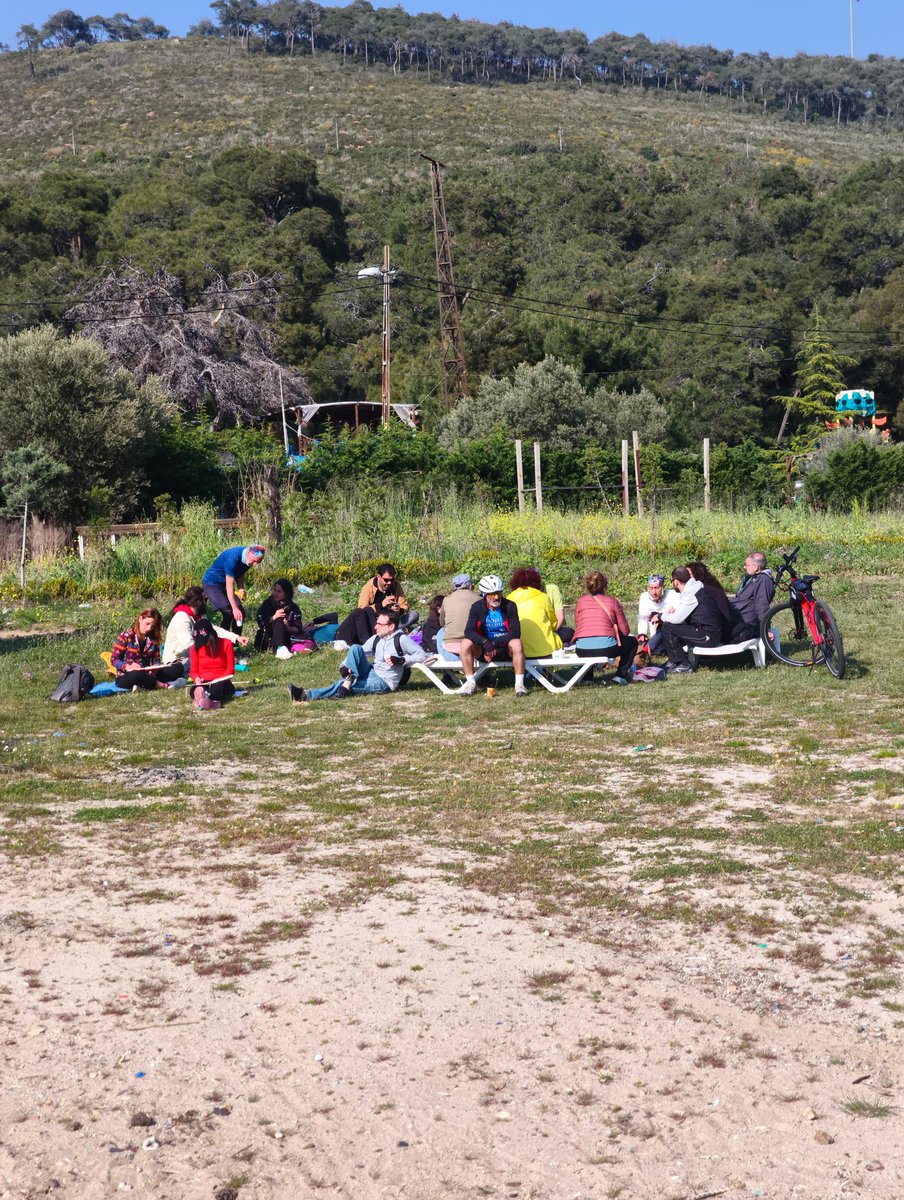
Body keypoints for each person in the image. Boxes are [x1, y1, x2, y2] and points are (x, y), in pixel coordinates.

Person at [288, 609, 431, 702]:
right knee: (356, 647)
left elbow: (422, 655)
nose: (375, 627)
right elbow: (357, 652)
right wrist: (344, 666)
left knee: (346, 685)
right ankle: (347, 679)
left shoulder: (401, 639)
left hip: (385, 681)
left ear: (391, 627)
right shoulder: (377, 638)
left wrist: (402, 660)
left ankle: (306, 695)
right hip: (372, 671)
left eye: (380, 625)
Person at [459, 574, 527, 696]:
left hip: (505, 648)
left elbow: (516, 632)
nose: (496, 597)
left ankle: (519, 685)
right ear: (484, 594)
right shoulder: (477, 607)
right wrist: (485, 643)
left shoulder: (510, 606)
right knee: (465, 643)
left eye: (499, 593)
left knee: (517, 643)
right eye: (492, 594)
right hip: (483, 649)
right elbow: (468, 631)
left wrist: (494, 644)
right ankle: (470, 683)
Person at [162, 586, 248, 678]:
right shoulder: (181, 618)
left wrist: (236, 637)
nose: (207, 603)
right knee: (215, 662)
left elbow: (214, 629)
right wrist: (214, 654)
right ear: (198, 602)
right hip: (177, 660)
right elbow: (189, 645)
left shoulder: (199, 616)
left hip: (191, 656)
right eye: (205, 599)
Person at [572, 571, 637, 684]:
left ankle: (588, 678)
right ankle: (620, 675)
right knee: (632, 642)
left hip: (582, 649)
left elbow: (579, 624)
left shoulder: (580, 601)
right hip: (607, 648)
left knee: (589, 642)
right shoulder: (612, 601)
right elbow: (625, 631)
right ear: (605, 586)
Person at [334, 562, 419, 647]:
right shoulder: (369, 587)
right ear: (379, 577)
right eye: (386, 580)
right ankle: (385, 634)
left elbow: (404, 605)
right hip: (375, 622)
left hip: (392, 619)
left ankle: (391, 631)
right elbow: (362, 609)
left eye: (391, 580)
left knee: (414, 615)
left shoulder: (396, 585)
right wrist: (382, 604)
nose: (389, 583)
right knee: (367, 611)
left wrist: (399, 610)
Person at [660, 566, 724, 674]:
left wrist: (660, 616)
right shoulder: (693, 589)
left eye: (671, 581)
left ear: (676, 581)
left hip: (708, 637)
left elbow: (676, 620)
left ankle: (683, 664)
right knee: (669, 626)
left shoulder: (691, 593)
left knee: (668, 627)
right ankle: (674, 661)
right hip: (708, 632)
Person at [111, 608, 184, 691]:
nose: (149, 628)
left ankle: (144, 685)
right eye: (147, 624)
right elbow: (114, 659)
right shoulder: (125, 636)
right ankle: (163, 685)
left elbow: (156, 661)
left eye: (152, 626)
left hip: (147, 673)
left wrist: (154, 669)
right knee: (136, 675)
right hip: (127, 675)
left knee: (178, 667)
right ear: (140, 619)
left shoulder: (153, 640)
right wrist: (127, 666)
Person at [202, 544, 265, 632]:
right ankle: (223, 642)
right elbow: (229, 585)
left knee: (240, 613)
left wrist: (241, 588)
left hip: (225, 584)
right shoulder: (232, 558)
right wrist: (234, 608)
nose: (255, 565)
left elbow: (240, 572)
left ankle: (236, 643)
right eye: (254, 561)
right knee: (229, 612)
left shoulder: (248, 559)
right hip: (212, 584)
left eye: (258, 562)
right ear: (248, 553)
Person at [507, 567, 562, 658]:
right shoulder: (543, 597)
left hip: (518, 651)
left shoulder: (509, 598)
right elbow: (554, 624)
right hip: (546, 650)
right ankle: (546, 671)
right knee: (567, 633)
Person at [189, 618, 236, 710]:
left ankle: (203, 699)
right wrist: (197, 679)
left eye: (206, 640)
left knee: (220, 687)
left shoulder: (226, 643)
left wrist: (219, 679)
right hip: (204, 682)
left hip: (221, 681)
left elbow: (230, 669)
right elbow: (193, 671)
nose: (204, 644)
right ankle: (208, 700)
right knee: (194, 689)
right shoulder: (194, 649)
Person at [685, 561, 735, 643]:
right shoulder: (712, 587)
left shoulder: (704, 590)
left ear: (697, 574)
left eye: (689, 575)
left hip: (718, 631)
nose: (685, 577)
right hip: (721, 628)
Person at [731, 551, 776, 640]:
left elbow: (762, 604)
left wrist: (766, 629)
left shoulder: (763, 580)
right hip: (737, 616)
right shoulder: (753, 578)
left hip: (745, 623)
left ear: (756, 567)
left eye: (747, 565)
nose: (744, 567)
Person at [255, 578, 304, 659]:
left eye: (279, 592)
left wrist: (288, 627)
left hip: (287, 638)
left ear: (286, 594)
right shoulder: (267, 604)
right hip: (268, 637)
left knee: (281, 617)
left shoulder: (293, 607)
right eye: (275, 590)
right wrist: (273, 617)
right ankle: (280, 648)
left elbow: (298, 628)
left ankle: (281, 648)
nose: (275, 593)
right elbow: (261, 622)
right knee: (279, 616)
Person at [436, 573, 479, 659]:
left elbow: (442, 623)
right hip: (473, 644)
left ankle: (455, 660)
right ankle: (465, 660)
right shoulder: (479, 599)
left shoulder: (446, 599)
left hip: (451, 645)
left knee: (441, 631)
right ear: (470, 586)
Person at [637, 573, 667, 654]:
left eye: (657, 588)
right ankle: (649, 648)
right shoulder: (644, 597)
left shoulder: (672, 596)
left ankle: (646, 649)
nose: (654, 592)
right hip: (654, 637)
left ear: (663, 587)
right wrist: (642, 634)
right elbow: (643, 618)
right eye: (651, 588)